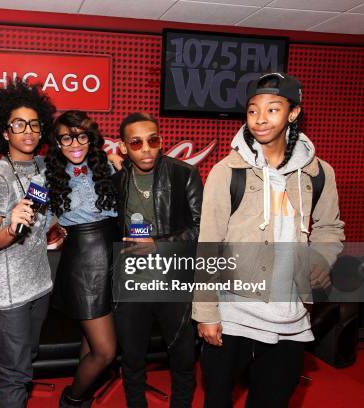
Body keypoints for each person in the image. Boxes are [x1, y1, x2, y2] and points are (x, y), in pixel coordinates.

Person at [193, 72, 345, 407]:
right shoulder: (226, 172)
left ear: (293, 113)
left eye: (273, 109)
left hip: (289, 318)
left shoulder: (319, 174)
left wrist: (320, 258)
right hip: (233, 315)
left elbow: (330, 227)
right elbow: (209, 245)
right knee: (216, 400)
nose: (260, 118)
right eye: (252, 110)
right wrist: (205, 312)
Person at [112, 112, 202, 407]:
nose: (147, 148)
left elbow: (202, 230)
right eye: (136, 143)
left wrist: (159, 245)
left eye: (153, 140)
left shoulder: (183, 174)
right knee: (132, 361)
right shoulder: (117, 181)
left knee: (183, 359)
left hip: (173, 281)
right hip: (131, 284)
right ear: (124, 147)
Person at [0, 78, 56, 408]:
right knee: (15, 373)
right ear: (5, 132)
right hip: (10, 292)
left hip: (40, 283)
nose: (28, 131)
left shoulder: (41, 167)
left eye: (34, 124)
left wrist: (56, 225)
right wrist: (11, 228)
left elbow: (45, 216)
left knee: (28, 358)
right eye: (19, 124)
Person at [45, 110, 119, 407]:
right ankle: (72, 400)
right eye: (66, 137)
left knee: (92, 344)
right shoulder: (46, 175)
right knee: (105, 351)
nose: (75, 143)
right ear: (57, 142)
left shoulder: (108, 167)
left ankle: (82, 398)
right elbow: (33, 218)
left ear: (91, 138)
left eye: (81, 136)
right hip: (82, 264)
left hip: (114, 256)